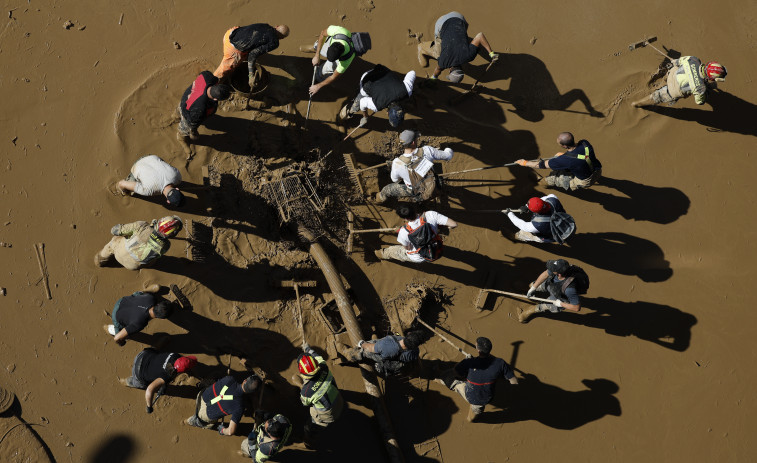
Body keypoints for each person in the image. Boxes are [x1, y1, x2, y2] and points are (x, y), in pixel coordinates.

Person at [438, 337, 518, 422]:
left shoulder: (469, 362)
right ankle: (472, 418)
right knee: (471, 419)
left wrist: (466, 361)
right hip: (486, 398)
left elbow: (456, 372)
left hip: (470, 396)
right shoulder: (500, 363)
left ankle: (437, 378)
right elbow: (514, 381)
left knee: (447, 376)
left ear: (478, 350)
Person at [417, 11, 499, 83]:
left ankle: (463, 40)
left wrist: (491, 53)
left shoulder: (469, 56)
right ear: (450, 70)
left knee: (464, 40)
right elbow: (438, 70)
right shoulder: (443, 62)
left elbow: (480, 36)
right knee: (438, 54)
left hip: (459, 17)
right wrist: (434, 78)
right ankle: (422, 47)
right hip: (442, 22)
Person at [376, 130, 453, 203]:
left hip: (414, 188)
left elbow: (395, 180)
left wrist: (404, 175)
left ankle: (379, 199)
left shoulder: (397, 163)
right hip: (431, 182)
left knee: (386, 190)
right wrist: (447, 149)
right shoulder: (427, 150)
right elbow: (448, 156)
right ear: (413, 142)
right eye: (416, 138)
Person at [292, 344, 344, 446]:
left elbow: (305, 403)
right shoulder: (324, 367)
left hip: (328, 416)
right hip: (339, 401)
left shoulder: (306, 393)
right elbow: (317, 356)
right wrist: (307, 348)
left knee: (309, 427)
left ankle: (308, 442)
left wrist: (301, 385)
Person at [119, 348, 197, 413]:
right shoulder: (167, 375)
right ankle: (127, 381)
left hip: (142, 355)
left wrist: (163, 384)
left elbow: (164, 367)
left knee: (155, 353)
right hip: (138, 372)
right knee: (140, 383)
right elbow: (150, 389)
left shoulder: (175, 355)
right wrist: (149, 406)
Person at [515, 132, 602, 191]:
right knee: (575, 165)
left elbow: (541, 165)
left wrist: (525, 163)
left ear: (564, 146)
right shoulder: (584, 143)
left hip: (586, 181)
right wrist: (565, 155)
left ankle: (541, 182)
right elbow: (577, 154)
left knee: (552, 179)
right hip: (597, 170)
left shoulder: (564, 160)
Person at [339, 65, 416, 128]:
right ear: (388, 113)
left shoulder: (407, 90)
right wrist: (365, 116)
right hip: (366, 79)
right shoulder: (377, 105)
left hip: (380, 71)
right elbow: (363, 102)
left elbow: (412, 72)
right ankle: (342, 117)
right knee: (356, 106)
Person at [94, 216, 183, 270]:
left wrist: (150, 226)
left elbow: (115, 230)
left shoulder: (142, 226)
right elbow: (153, 240)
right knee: (153, 260)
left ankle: (99, 260)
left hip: (119, 252)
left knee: (116, 239)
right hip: (132, 266)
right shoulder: (166, 245)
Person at [631, 57, 726, 107]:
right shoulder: (700, 88)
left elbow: (677, 62)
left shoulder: (694, 60)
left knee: (674, 69)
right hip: (672, 91)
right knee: (655, 97)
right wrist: (706, 92)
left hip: (672, 74)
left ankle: (664, 79)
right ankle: (636, 104)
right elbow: (699, 102)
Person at [376, 205, 457, 263]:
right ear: (414, 210)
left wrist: (400, 231)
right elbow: (454, 224)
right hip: (436, 248)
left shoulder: (404, 232)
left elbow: (407, 248)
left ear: (405, 218)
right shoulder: (431, 214)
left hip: (418, 257)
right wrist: (440, 229)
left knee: (393, 251)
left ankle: (379, 254)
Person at [185, 374, 261, 436]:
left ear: (245, 381)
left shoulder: (229, 379)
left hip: (201, 397)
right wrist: (222, 430)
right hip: (205, 414)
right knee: (202, 421)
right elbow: (230, 431)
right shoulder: (240, 406)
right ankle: (193, 422)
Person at [518, 259, 588, 323]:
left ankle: (531, 310)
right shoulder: (559, 268)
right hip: (552, 284)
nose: (550, 269)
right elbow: (545, 274)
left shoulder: (569, 290)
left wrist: (561, 304)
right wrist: (533, 287)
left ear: (558, 274)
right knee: (536, 284)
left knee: (546, 305)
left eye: (552, 269)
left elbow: (576, 307)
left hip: (561, 296)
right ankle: (528, 288)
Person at [212, 23, 289, 81]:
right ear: (282, 38)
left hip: (230, 33)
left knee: (250, 45)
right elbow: (252, 55)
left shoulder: (266, 25)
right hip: (231, 48)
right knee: (223, 70)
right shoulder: (274, 43)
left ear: (277, 26)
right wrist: (251, 75)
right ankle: (211, 84)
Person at [177, 71, 232, 143]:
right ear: (215, 99)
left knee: (178, 110)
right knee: (184, 128)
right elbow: (192, 122)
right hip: (187, 113)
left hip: (185, 99)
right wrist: (193, 131)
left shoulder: (207, 76)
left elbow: (202, 74)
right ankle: (181, 138)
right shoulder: (200, 109)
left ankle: (175, 116)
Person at [104, 290, 173, 346]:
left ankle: (155, 288)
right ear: (161, 319)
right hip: (116, 316)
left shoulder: (151, 298)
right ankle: (109, 329)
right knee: (122, 336)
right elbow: (116, 338)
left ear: (158, 304)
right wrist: (121, 343)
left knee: (139, 294)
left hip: (121, 301)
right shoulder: (140, 324)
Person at [304, 25, 356, 95]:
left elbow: (333, 77)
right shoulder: (338, 31)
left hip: (339, 56)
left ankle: (318, 77)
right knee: (318, 44)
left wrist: (318, 86)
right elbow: (322, 33)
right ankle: (315, 48)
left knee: (323, 72)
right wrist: (317, 55)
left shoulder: (346, 60)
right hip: (331, 43)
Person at [346, 330, 425, 376]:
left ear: (409, 333)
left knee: (366, 350)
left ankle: (350, 355)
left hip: (384, 355)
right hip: (397, 362)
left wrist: (362, 343)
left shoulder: (386, 345)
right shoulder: (416, 352)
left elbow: (370, 348)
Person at [117, 155, 184, 207]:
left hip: (151, 157)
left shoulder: (178, 177)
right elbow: (121, 183)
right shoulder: (148, 190)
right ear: (168, 201)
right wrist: (125, 192)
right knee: (128, 187)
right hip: (137, 165)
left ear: (177, 189)